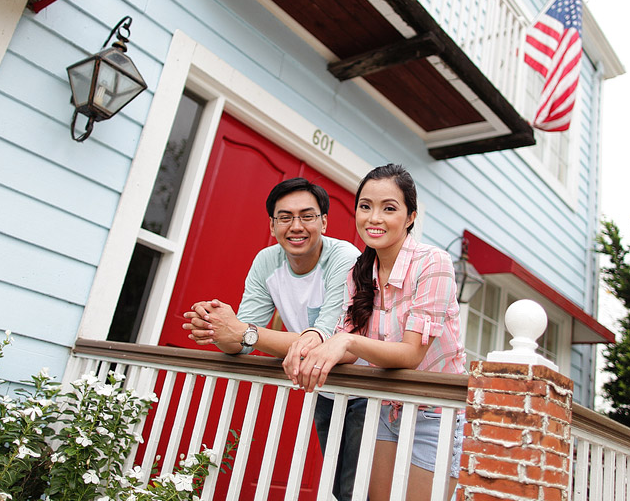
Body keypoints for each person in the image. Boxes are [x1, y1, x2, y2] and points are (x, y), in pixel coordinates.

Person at [283, 164, 466, 501]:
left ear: (410, 217)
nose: (374, 218)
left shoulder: (433, 264)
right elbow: (347, 346)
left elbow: (411, 354)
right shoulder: (360, 271)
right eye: (365, 206)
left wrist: (346, 340)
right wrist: (312, 343)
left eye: (389, 208)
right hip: (385, 407)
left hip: (434, 413)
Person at [183, 177, 365, 501]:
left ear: (324, 221)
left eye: (307, 216)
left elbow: (326, 340)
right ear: (272, 225)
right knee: (341, 489)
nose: (296, 226)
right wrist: (214, 325)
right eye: (285, 217)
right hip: (327, 389)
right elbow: (240, 340)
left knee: (360, 489)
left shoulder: (344, 258)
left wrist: (242, 331)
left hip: (367, 386)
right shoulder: (266, 261)